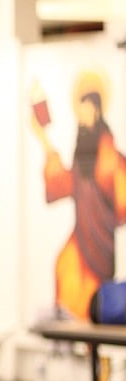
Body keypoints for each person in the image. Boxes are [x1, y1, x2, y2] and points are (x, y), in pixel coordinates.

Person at [31, 70, 126, 320]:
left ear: (97, 110)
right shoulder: (81, 148)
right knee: (65, 265)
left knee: (95, 291)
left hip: (99, 238)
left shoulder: (106, 147)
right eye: (80, 111)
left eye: (86, 110)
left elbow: (115, 183)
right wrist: (43, 138)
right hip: (82, 234)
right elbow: (66, 182)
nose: (82, 117)